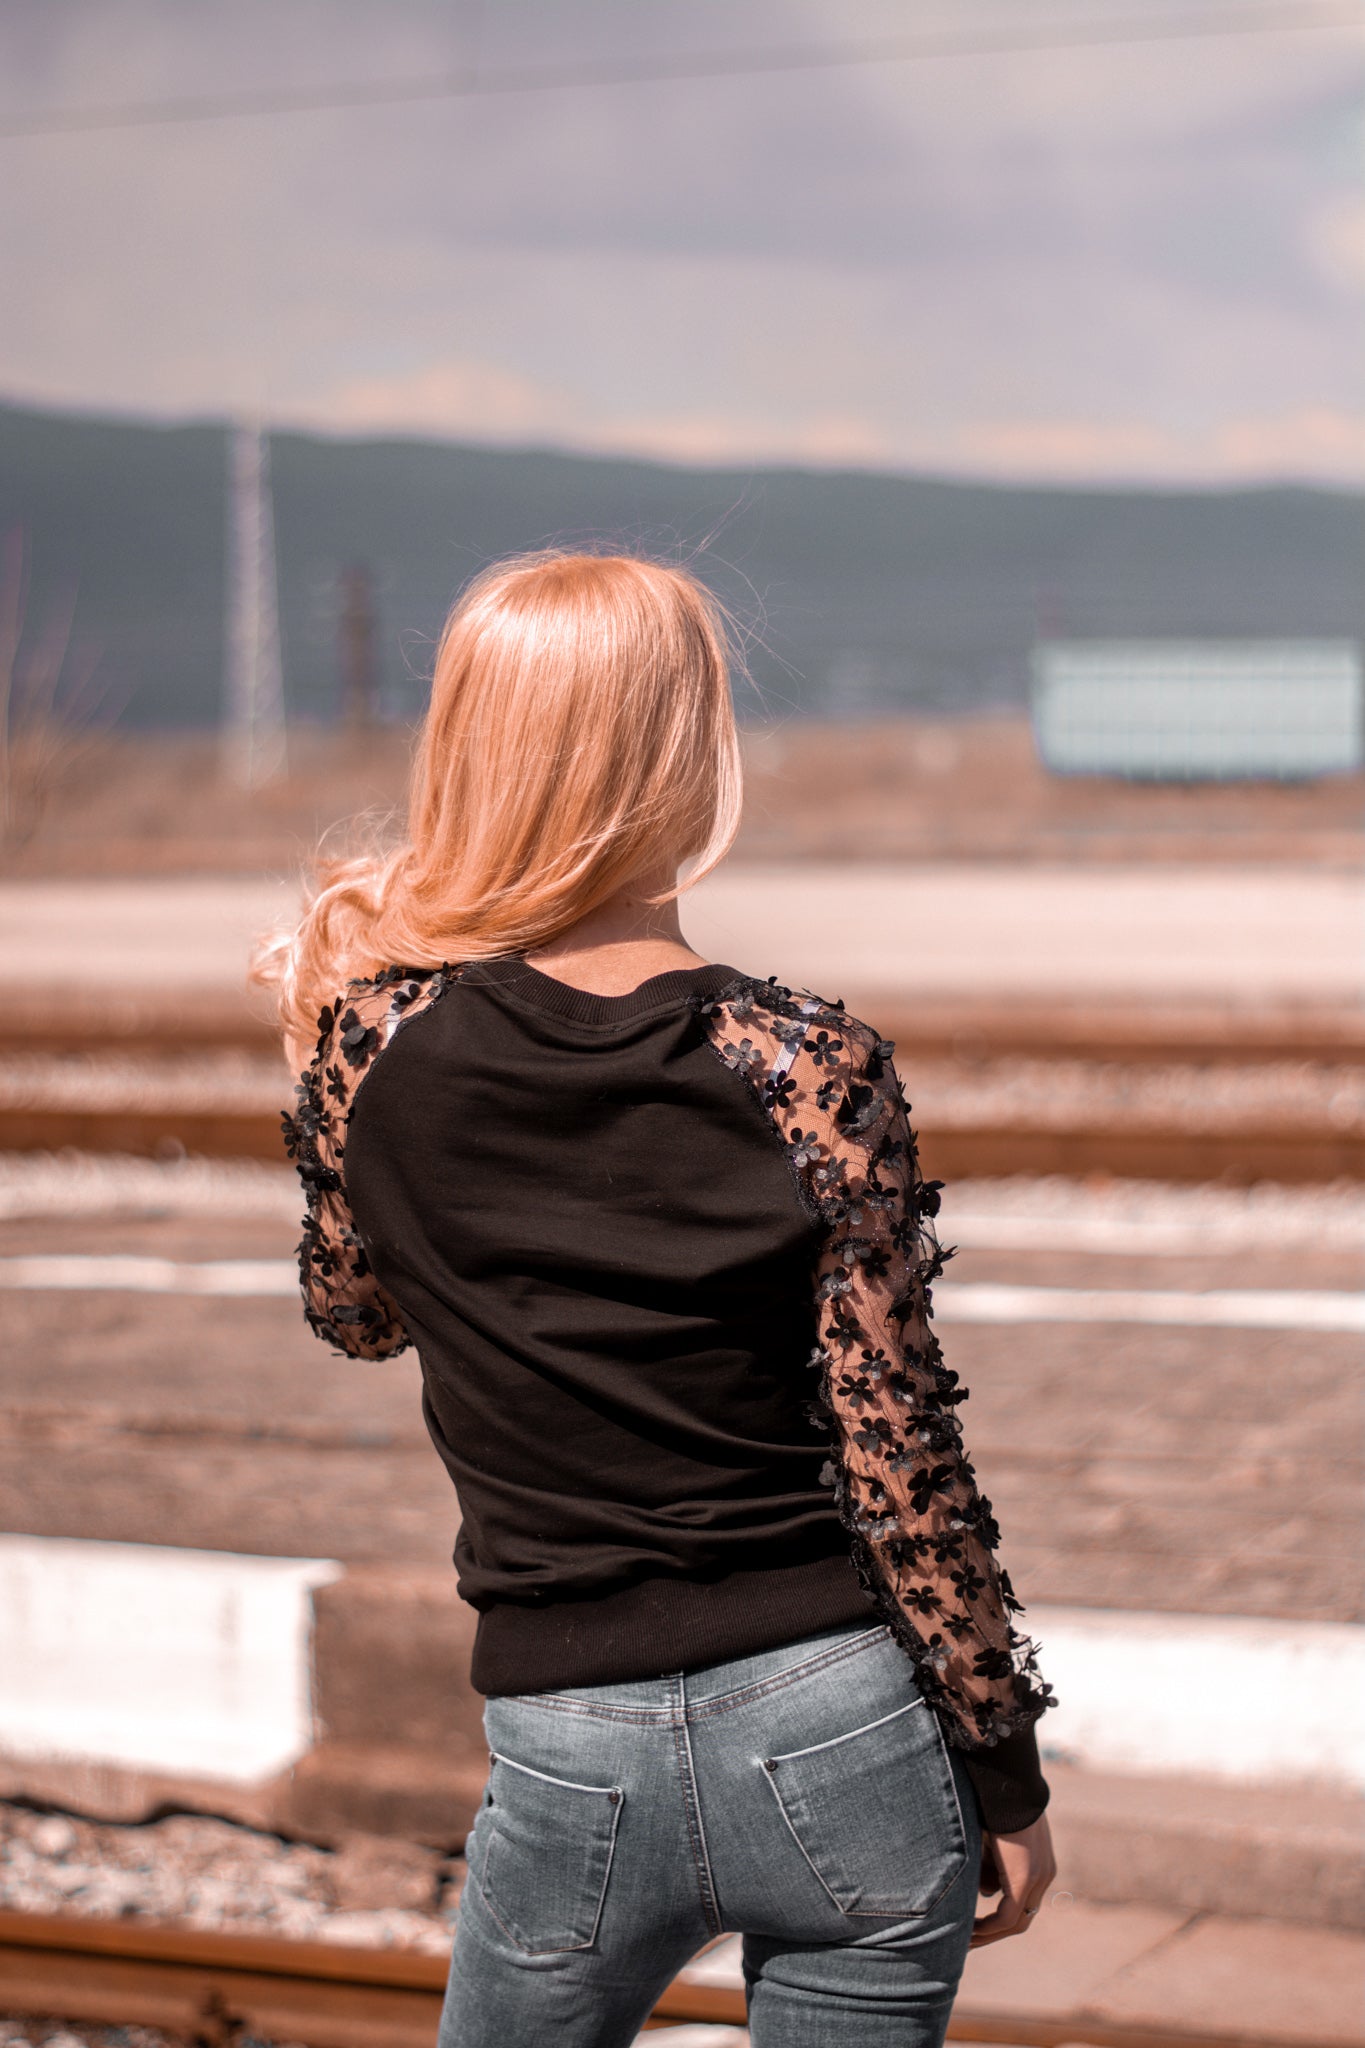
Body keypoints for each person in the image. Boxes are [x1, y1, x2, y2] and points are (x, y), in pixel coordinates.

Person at [258, 550, 1056, 2048]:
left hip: (570, 1742)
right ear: (686, 754)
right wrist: (1000, 1774)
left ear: (470, 748)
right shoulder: (808, 1067)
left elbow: (353, 1312)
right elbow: (900, 1459)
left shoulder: (371, 1045)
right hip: (840, 1718)